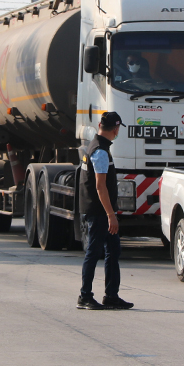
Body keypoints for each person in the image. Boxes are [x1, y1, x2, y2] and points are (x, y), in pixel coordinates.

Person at [77, 112, 133, 310]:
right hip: (99, 212)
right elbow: (100, 187)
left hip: (100, 210)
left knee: (113, 251)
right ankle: (85, 296)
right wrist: (111, 215)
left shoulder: (95, 146)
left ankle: (111, 295)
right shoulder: (100, 151)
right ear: (116, 129)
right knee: (94, 252)